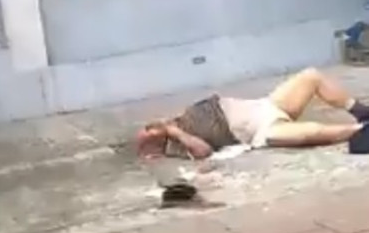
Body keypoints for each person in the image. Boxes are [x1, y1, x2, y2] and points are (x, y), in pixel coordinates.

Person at [136, 68, 369, 160]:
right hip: (261, 131)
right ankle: (360, 130)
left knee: (311, 77)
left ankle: (362, 112)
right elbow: (204, 152)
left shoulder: (181, 118)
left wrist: (170, 124)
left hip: (263, 106)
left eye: (149, 127)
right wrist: (173, 132)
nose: (151, 128)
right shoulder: (176, 146)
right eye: (150, 133)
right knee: (311, 133)